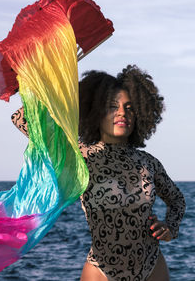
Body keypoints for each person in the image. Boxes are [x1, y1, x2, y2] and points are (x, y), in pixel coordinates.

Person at [11, 65, 185, 281]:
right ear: (95, 112)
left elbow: (176, 199)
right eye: (113, 106)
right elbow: (22, 119)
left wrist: (170, 228)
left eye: (130, 107)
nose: (122, 113)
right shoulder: (80, 155)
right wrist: (49, 82)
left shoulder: (148, 162)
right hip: (101, 271)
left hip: (152, 267)